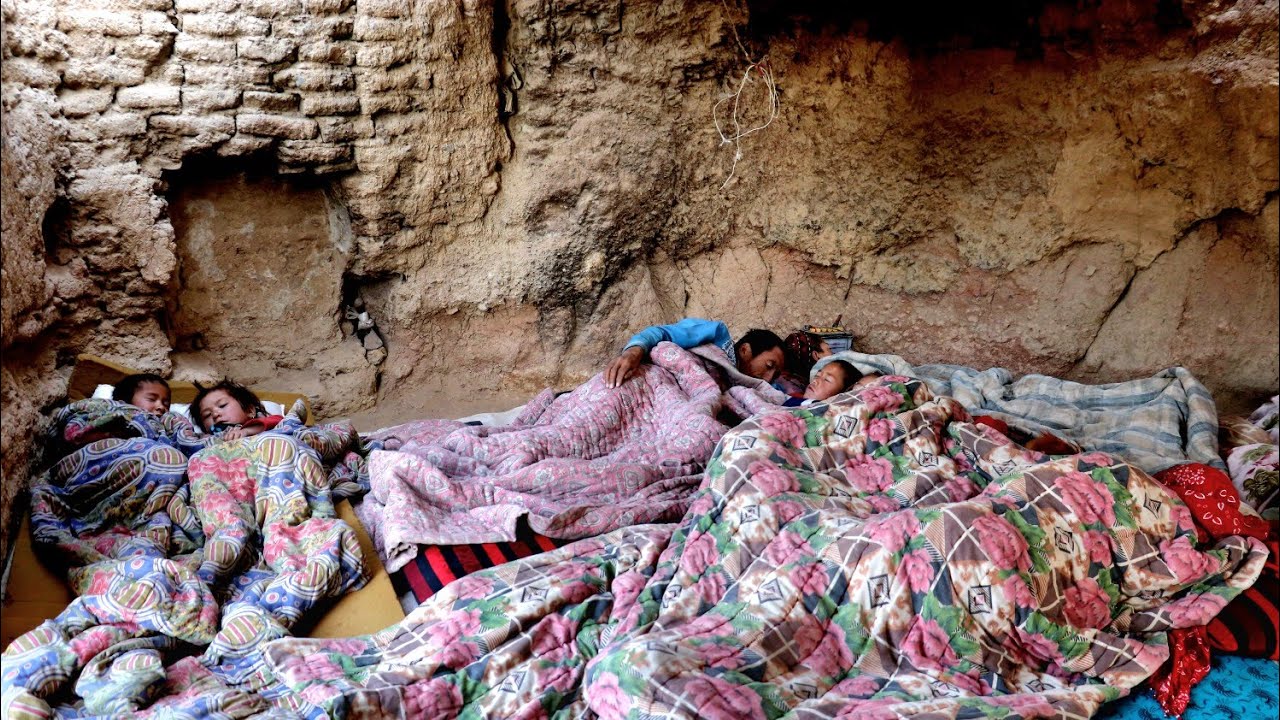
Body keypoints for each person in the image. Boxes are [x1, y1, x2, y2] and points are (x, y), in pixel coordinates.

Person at [603, 318, 786, 388]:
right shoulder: (716, 335)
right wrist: (633, 352)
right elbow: (662, 333)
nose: (769, 378)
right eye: (769, 366)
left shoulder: (756, 389)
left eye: (775, 375)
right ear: (745, 350)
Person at [193, 379, 283, 440]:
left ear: (249, 410)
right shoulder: (206, 438)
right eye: (207, 415)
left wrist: (247, 431)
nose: (215, 414)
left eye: (222, 405)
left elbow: (279, 422)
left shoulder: (261, 423)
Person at [784, 359, 861, 406]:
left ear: (842, 394)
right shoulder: (791, 397)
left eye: (827, 380)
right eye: (817, 375)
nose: (815, 381)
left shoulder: (829, 414)